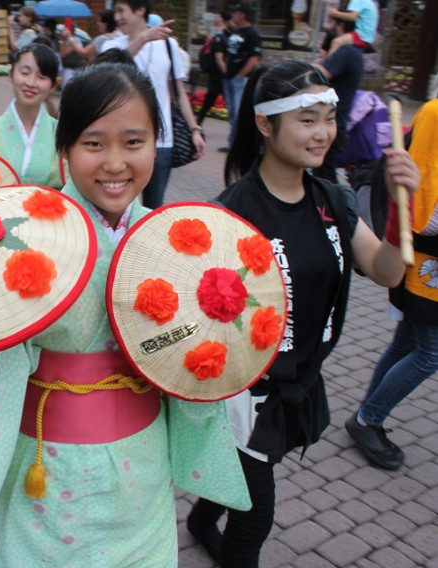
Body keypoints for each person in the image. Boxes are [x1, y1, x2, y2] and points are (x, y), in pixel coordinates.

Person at [0, 62, 249, 566]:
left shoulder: (178, 244)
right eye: (94, 144)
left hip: (142, 463)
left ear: (156, 146)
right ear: (65, 152)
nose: (115, 163)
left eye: (134, 142)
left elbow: (194, 365)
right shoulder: (27, 244)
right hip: (49, 470)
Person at [186, 60, 420, 568]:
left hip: (301, 376)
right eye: (307, 119)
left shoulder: (332, 198)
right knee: (255, 513)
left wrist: (403, 208)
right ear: (266, 125)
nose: (323, 134)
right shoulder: (230, 213)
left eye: (328, 118)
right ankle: (216, 528)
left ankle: (203, 520)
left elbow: (386, 272)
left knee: (250, 472)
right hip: (243, 393)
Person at [347, 99, 438, 471]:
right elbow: (415, 197)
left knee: (408, 340)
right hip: (424, 256)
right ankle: (369, 417)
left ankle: (368, 414)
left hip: (426, 255)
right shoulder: (434, 114)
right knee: (430, 353)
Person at [104, 0, 205, 209]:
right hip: (121, 140)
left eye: (121, 11)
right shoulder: (112, 45)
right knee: (117, 205)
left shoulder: (168, 46)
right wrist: (143, 39)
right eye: (116, 12)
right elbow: (108, 69)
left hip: (160, 141)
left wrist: (195, 129)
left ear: (140, 10)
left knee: (153, 209)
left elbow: (179, 92)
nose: (117, 17)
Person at [0, 43, 61, 188]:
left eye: (41, 76)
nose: (31, 82)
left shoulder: (63, 136)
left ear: (53, 86)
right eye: (24, 72)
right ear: (11, 75)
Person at [314, 15, 364, 184]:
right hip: (334, 120)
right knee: (322, 172)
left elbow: (322, 73)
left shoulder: (347, 51)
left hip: (334, 121)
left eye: (330, 22)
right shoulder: (349, 51)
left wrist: (303, 66)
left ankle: (329, 209)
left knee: (324, 176)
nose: (328, 27)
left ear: (340, 25)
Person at [220, 3, 261, 150]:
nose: (234, 16)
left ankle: (239, 144)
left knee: (238, 113)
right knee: (232, 112)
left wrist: (240, 75)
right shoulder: (236, 32)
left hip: (240, 79)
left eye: (236, 13)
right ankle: (232, 142)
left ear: (243, 15)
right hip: (229, 77)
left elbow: (254, 59)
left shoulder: (252, 34)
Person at [197, 10, 230, 127]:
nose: (216, 17)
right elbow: (217, 55)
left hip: (219, 71)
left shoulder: (226, 33)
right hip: (217, 71)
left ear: (222, 18)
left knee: (213, 97)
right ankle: (199, 120)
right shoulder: (218, 32)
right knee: (214, 97)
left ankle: (199, 120)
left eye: (218, 15)